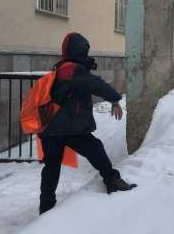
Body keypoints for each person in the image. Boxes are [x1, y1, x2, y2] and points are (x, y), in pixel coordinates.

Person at [39, 32, 136, 215]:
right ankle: (111, 180)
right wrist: (115, 99)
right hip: (69, 127)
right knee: (95, 148)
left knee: (51, 167)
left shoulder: (59, 68)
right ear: (79, 51)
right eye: (85, 51)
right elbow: (95, 84)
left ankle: (45, 209)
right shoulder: (74, 70)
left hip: (50, 128)